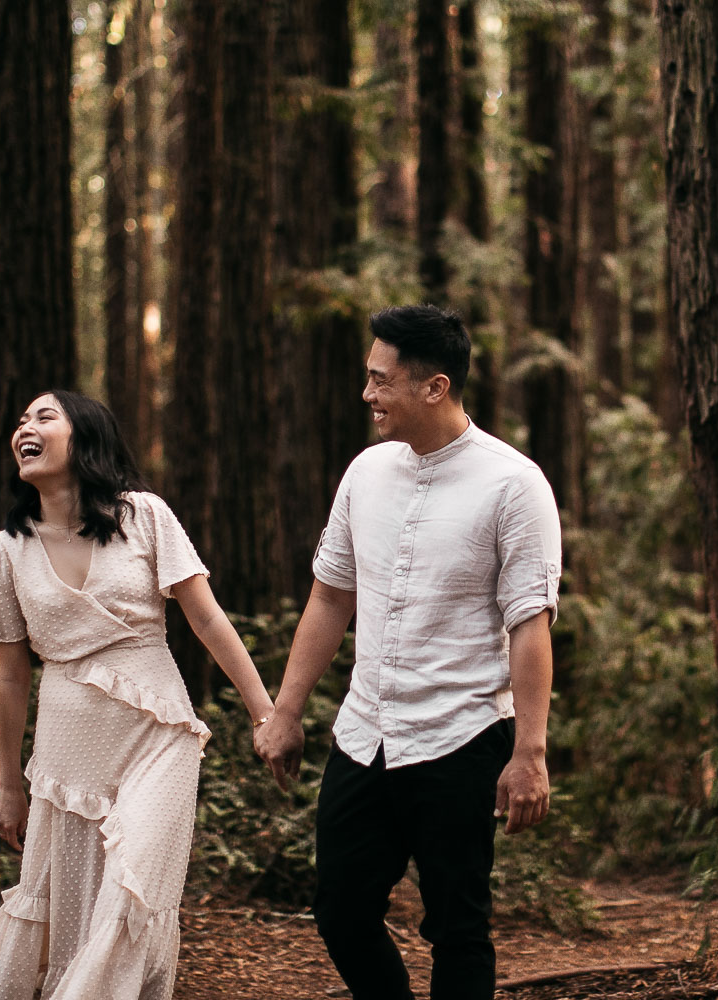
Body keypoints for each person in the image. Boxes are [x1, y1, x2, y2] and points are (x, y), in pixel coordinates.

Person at [255, 304, 561, 1000]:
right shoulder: (366, 473)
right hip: (365, 737)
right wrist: (286, 710)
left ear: (435, 387)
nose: (367, 395)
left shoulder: (514, 486)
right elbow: (331, 597)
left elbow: (529, 625)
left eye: (380, 380)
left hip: (462, 738)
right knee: (339, 910)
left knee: (458, 928)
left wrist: (531, 752)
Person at [0, 390, 273, 1000]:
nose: (24, 428)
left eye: (43, 416)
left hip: (157, 730)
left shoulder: (143, 515)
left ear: (85, 436)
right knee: (71, 897)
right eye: (19, 421)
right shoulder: (7, 550)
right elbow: (10, 674)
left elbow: (206, 619)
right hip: (67, 746)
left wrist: (265, 712)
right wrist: (9, 784)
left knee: (133, 881)